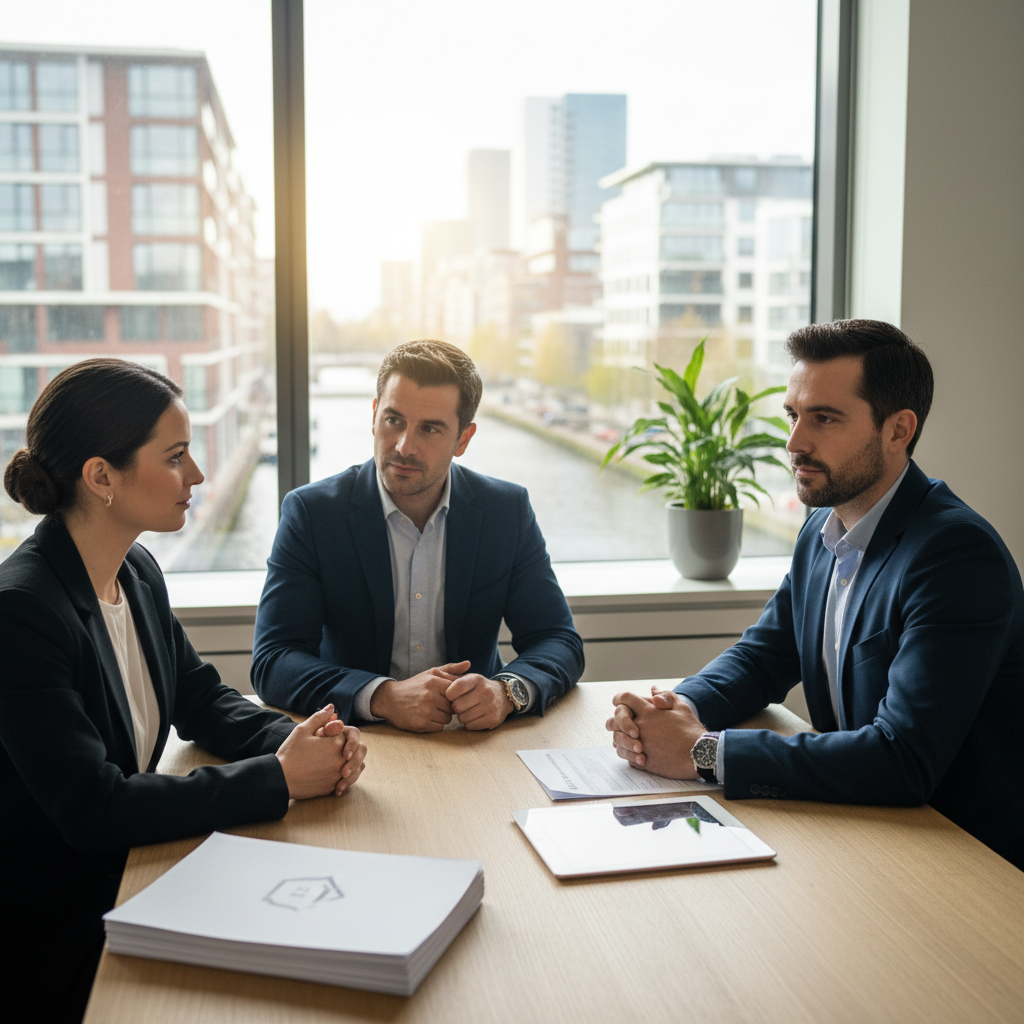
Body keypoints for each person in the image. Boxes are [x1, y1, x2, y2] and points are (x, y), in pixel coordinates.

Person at [0, 359, 368, 1023]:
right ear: (101, 477)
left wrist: (307, 740)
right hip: (59, 937)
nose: (196, 474)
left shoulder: (133, 568)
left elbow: (198, 697)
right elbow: (94, 809)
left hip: (138, 878)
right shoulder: (21, 613)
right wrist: (280, 779)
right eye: (176, 457)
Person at [607, 319, 1024, 871]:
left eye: (824, 418)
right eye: (793, 415)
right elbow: (764, 656)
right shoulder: (823, 527)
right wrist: (678, 709)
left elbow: (903, 758)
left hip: (961, 857)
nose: (795, 442)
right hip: (864, 831)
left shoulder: (954, 554)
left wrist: (704, 752)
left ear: (898, 430)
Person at [252, 339, 584, 731]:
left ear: (463, 439)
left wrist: (507, 692)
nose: (404, 446)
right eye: (394, 420)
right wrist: (383, 696)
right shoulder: (312, 513)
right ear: (374, 415)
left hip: (471, 740)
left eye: (429, 429)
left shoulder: (505, 511)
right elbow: (274, 660)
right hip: (357, 737)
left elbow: (558, 640)